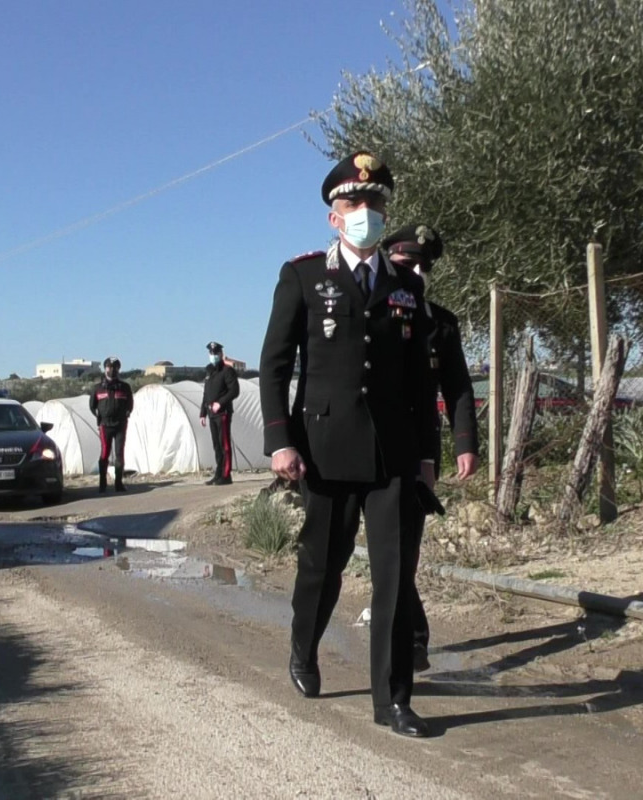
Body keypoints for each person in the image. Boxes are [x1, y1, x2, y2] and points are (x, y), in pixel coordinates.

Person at [259, 151, 440, 738]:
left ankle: (392, 701)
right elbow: (275, 363)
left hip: (392, 454)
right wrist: (280, 442)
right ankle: (303, 645)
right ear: (334, 217)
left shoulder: (405, 286)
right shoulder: (305, 276)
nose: (365, 212)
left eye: (374, 203)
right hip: (326, 447)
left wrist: (428, 453)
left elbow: (421, 380)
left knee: (393, 573)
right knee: (322, 564)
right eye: (353, 204)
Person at [382, 224, 479, 672]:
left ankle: (413, 639)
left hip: (418, 453)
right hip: (368, 449)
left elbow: (458, 385)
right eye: (407, 264)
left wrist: (465, 443)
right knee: (385, 551)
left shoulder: (441, 322)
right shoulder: (372, 313)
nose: (418, 272)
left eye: (424, 266)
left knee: (406, 550)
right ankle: (407, 634)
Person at [89, 356, 134, 493]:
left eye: (115, 367)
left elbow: (130, 404)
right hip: (105, 425)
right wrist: (99, 416)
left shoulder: (125, 387)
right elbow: (92, 406)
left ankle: (118, 483)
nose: (112, 370)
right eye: (109, 367)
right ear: (105, 369)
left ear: (119, 369)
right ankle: (102, 483)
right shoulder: (98, 388)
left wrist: (126, 413)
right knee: (105, 453)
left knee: (119, 454)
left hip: (120, 425)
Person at [200, 341, 240, 485]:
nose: (213, 356)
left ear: (221, 354)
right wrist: (202, 413)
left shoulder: (227, 371)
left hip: (222, 413)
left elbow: (234, 390)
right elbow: (206, 394)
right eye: (211, 353)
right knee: (216, 445)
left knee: (224, 445)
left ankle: (226, 474)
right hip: (211, 414)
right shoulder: (209, 373)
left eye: (216, 353)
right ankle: (218, 472)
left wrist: (220, 403)